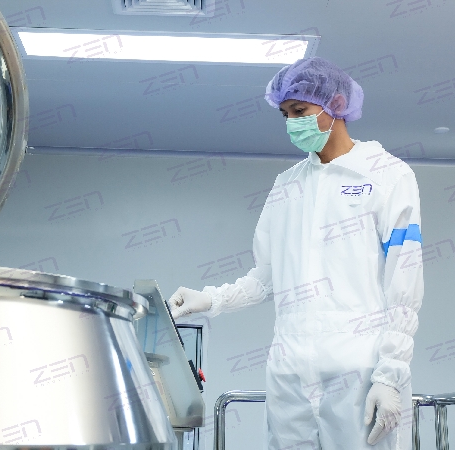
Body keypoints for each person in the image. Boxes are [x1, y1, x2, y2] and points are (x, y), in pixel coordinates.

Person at [167, 57, 423, 450]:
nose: (291, 123)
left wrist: (391, 373)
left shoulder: (387, 176)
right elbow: (268, 275)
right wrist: (212, 299)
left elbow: (404, 283)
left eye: (300, 111)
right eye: (285, 114)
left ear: (336, 104)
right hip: (289, 370)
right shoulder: (287, 186)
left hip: (357, 367)